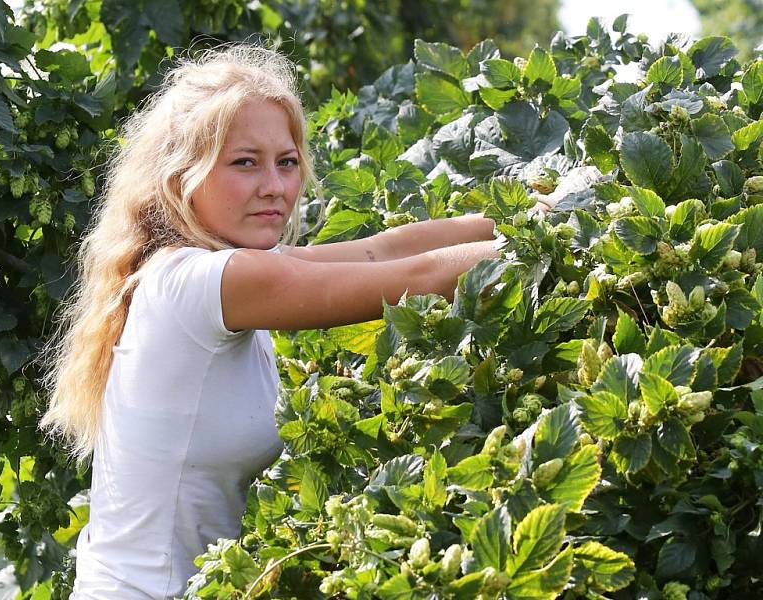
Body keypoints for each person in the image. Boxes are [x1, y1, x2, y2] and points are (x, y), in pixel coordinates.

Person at [40, 44, 499, 599]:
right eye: (244, 162)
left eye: (286, 162)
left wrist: (523, 215)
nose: (275, 187)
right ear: (181, 174)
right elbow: (420, 278)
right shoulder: (203, 283)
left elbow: (380, 250)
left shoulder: (204, 271)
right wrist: (543, 244)